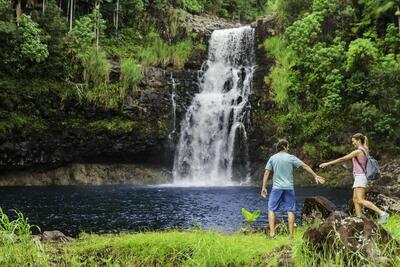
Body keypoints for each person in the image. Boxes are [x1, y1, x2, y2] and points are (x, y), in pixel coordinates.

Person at [261, 139, 325, 238]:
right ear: (284, 147)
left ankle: (272, 234)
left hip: (277, 188)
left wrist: (264, 187)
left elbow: (266, 173)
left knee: (271, 209)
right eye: (288, 146)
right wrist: (315, 175)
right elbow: (305, 166)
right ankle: (291, 236)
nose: (289, 148)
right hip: (289, 187)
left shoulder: (273, 158)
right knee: (290, 210)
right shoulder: (291, 158)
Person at [319, 133, 389, 223]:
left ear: (359, 140)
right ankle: (360, 217)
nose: (352, 143)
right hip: (359, 177)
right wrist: (364, 139)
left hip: (360, 177)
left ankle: (382, 213)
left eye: (353, 141)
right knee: (355, 199)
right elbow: (365, 142)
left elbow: (343, 159)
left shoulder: (358, 151)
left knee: (360, 200)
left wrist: (327, 163)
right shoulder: (365, 148)